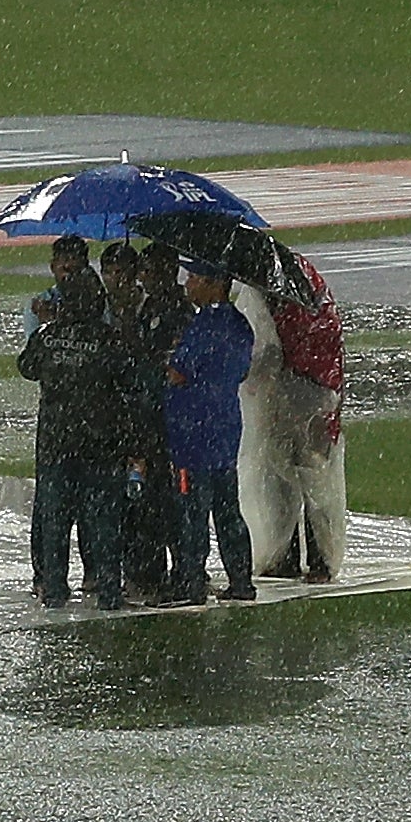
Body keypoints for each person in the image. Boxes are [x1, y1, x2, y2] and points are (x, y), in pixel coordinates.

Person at [15, 238, 139, 604]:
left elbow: (27, 367)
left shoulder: (48, 337)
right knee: (102, 523)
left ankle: (53, 588)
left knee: (54, 522)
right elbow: (130, 381)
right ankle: (108, 590)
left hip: (56, 444)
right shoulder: (109, 340)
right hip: (100, 445)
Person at [242, 241, 349, 582]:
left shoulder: (268, 293)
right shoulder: (305, 282)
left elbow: (268, 352)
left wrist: (250, 377)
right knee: (314, 480)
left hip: (292, 393)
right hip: (319, 390)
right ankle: (319, 559)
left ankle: (287, 556)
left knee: (283, 478)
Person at [162, 262, 259, 604]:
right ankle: (241, 580)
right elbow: (242, 371)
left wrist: (171, 359)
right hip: (225, 427)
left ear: (213, 283)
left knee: (192, 513)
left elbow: (178, 372)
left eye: (193, 278)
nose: (187, 284)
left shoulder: (204, 325)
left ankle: (191, 583)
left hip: (193, 432)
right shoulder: (240, 324)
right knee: (228, 510)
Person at [98, 239, 181, 593]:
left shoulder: (172, 310)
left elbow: (151, 363)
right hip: (134, 417)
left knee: (160, 498)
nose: (142, 279)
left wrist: (130, 333)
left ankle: (165, 571)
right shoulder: (145, 309)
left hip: (159, 419)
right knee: (139, 499)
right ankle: (143, 569)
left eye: (148, 272)